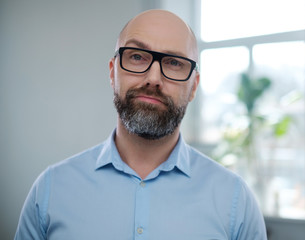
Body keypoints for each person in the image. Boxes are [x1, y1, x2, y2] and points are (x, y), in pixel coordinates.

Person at [15, 9, 267, 240]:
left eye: (174, 62)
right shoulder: (50, 190)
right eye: (137, 56)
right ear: (113, 72)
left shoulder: (236, 201)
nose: (153, 78)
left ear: (194, 86)